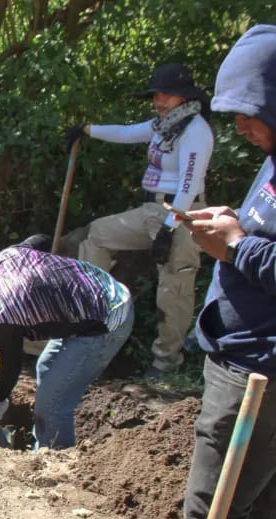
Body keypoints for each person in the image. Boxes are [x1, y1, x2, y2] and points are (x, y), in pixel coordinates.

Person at [174, 25, 276, 519]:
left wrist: (235, 246)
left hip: (258, 370)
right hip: (243, 352)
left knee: (210, 512)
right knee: (255, 511)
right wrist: (235, 225)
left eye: (250, 110)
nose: (238, 124)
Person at [64, 62, 213, 379]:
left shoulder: (196, 130)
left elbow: (189, 182)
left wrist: (170, 229)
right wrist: (87, 130)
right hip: (150, 212)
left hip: (181, 215)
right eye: (156, 94)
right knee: (97, 236)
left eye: (166, 95)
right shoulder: (165, 125)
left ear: (184, 97)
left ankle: (165, 364)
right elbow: (128, 132)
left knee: (173, 288)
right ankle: (93, 325)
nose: (159, 101)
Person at [0, 236, 133, 449]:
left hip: (108, 320)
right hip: (101, 293)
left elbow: (11, 364)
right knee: (44, 366)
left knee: (51, 406)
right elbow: (42, 239)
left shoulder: (2, 316)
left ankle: (57, 464)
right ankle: (43, 443)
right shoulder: (7, 257)